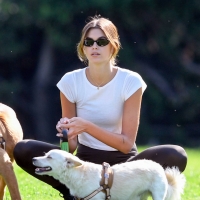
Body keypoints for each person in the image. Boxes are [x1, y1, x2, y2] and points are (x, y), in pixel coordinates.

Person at [14, 16, 187, 200]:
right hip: (84, 164)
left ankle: (119, 191)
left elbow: (127, 143)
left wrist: (86, 126)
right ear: (83, 47)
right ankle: (76, 191)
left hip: (124, 164)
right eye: (88, 42)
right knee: (23, 148)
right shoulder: (69, 81)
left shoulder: (131, 81)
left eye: (101, 41)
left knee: (176, 154)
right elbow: (68, 150)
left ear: (113, 46)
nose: (94, 46)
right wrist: (67, 135)